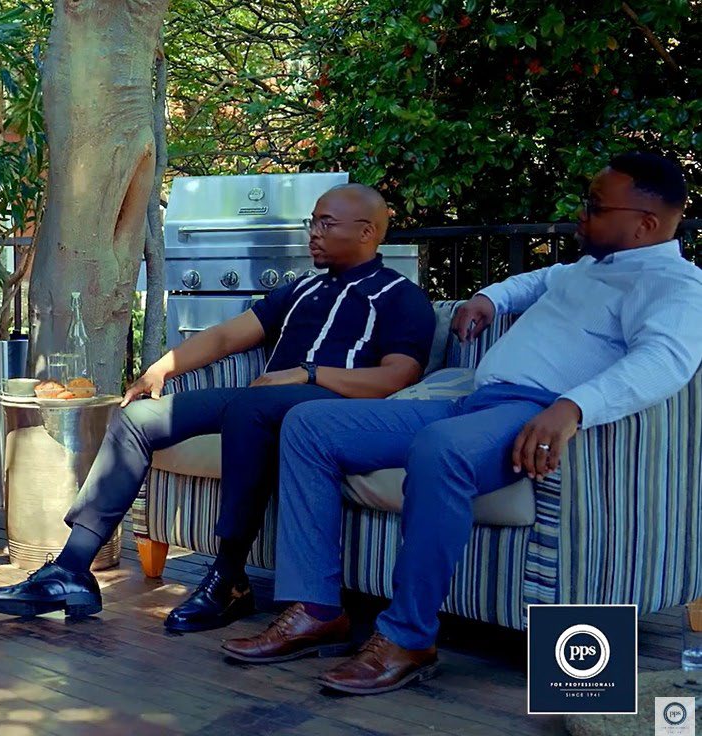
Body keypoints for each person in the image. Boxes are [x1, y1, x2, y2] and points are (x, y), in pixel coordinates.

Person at [225, 151, 702, 696]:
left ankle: (407, 638)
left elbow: (664, 362)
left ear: (645, 224)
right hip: (475, 404)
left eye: (595, 207)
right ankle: (315, 610)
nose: (580, 214)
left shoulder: (675, 288)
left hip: (532, 414)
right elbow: (535, 281)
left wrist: (572, 408)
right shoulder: (589, 268)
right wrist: (486, 299)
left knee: (441, 448)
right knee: (309, 424)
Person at [0, 184, 437, 630]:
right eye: (312, 221)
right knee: (138, 417)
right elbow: (224, 337)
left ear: (367, 232)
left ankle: (229, 577)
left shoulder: (401, 298)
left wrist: (308, 374)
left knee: (249, 409)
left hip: (327, 411)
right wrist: (161, 369)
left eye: (326, 223)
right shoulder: (302, 290)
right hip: (260, 402)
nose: (313, 232)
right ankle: (72, 568)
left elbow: (396, 377)